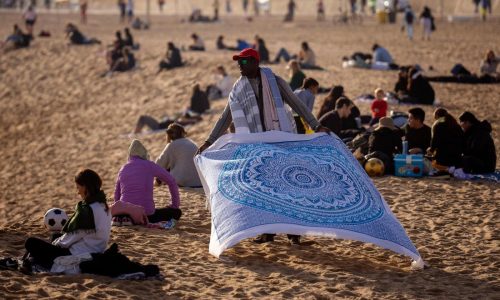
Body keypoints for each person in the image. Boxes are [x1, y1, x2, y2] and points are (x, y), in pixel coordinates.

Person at [196, 48, 330, 245]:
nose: (239, 66)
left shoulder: (275, 81)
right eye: (238, 62)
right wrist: (209, 141)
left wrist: (316, 124)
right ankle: (268, 232)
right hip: (258, 147)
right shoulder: (239, 88)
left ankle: (294, 234)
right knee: (264, 189)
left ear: (255, 62)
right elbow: (226, 117)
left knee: (288, 188)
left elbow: (296, 104)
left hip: (282, 142)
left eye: (243, 62)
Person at [22, 169, 111, 272]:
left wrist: (55, 244)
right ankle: (33, 259)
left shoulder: (87, 211)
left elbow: (72, 237)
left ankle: (35, 263)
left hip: (79, 253)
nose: (78, 192)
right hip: (97, 249)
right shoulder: (104, 205)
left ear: (85, 186)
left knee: (30, 242)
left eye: (78, 187)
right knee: (55, 236)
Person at [114, 140, 181, 224]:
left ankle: (123, 218)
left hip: (125, 211)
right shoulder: (149, 165)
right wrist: (174, 205)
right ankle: (135, 218)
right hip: (147, 214)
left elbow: (117, 195)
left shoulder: (123, 168)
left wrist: (118, 211)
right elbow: (171, 181)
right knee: (177, 212)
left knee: (127, 211)